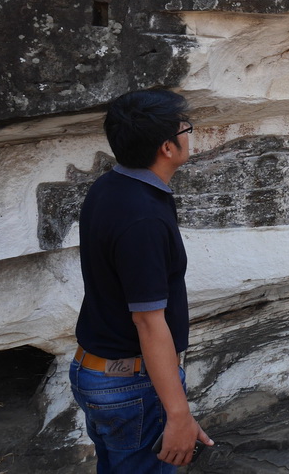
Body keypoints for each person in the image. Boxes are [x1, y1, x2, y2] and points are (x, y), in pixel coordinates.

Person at [70, 89, 213, 472]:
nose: (189, 134)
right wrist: (178, 414)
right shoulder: (143, 219)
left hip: (98, 373)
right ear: (167, 147)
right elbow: (148, 323)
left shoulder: (111, 187)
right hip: (130, 385)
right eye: (186, 128)